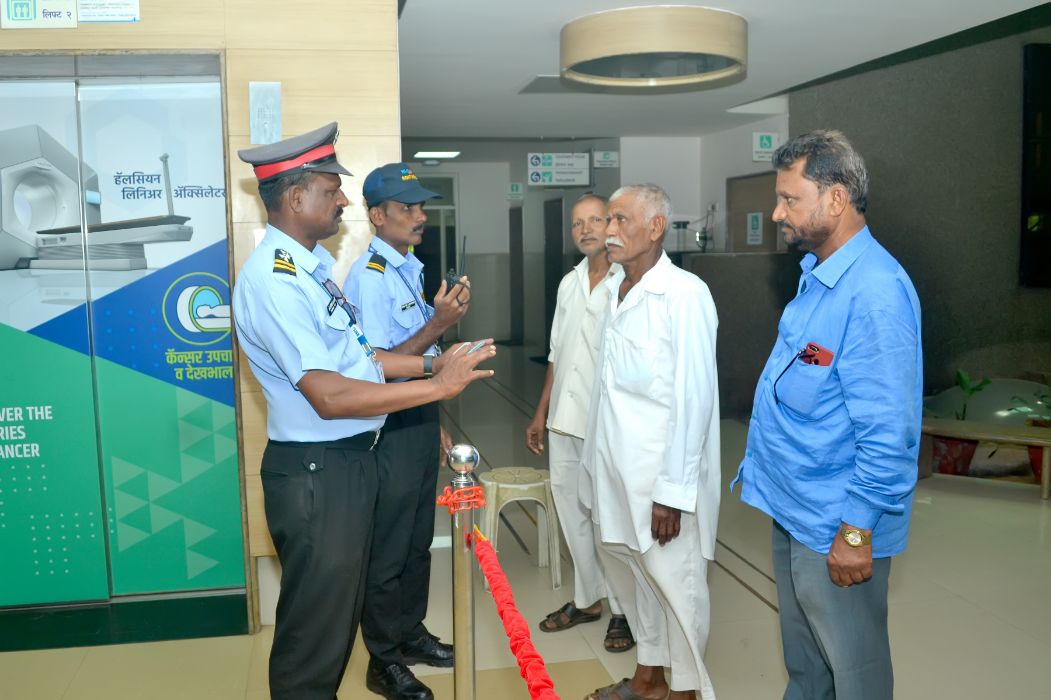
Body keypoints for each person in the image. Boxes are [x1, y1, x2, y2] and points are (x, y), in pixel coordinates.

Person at [232, 123, 495, 700]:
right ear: (296, 197)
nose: (345, 201)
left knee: (336, 624)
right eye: (332, 191)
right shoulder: (275, 282)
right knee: (315, 639)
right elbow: (329, 395)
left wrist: (434, 362)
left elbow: (362, 358)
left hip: (345, 465)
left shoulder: (311, 271)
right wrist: (437, 388)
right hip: (316, 470)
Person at [731, 130, 922, 700]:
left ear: (836, 199)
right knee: (808, 668)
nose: (776, 213)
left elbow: (889, 433)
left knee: (854, 673)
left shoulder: (876, 293)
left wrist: (856, 531)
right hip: (797, 508)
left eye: (789, 199)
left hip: (837, 522)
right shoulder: (819, 273)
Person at [581, 184, 721, 700]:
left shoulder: (684, 295)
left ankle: (686, 691)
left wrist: (673, 492)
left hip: (661, 479)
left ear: (656, 227)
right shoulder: (615, 289)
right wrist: (592, 468)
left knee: (677, 587)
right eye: (608, 220)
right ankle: (649, 678)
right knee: (637, 578)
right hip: (614, 470)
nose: (609, 231)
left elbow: (693, 399)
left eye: (621, 220)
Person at [344, 162, 471, 700]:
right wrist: (439, 324)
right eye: (407, 208)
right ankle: (383, 659)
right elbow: (379, 364)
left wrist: (434, 419)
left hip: (416, 415)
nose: (420, 216)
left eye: (421, 207)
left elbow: (422, 359)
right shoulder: (370, 277)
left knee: (419, 540)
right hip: (388, 423)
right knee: (390, 546)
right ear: (377, 216)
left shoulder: (408, 267)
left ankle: (409, 632)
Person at [524, 193, 634, 653]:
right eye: (577, 224)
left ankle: (624, 611)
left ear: (611, 224)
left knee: (609, 519)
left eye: (594, 220)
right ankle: (588, 599)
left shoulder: (627, 282)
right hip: (564, 421)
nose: (586, 229)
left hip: (605, 424)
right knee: (572, 514)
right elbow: (557, 352)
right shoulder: (569, 283)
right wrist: (541, 411)